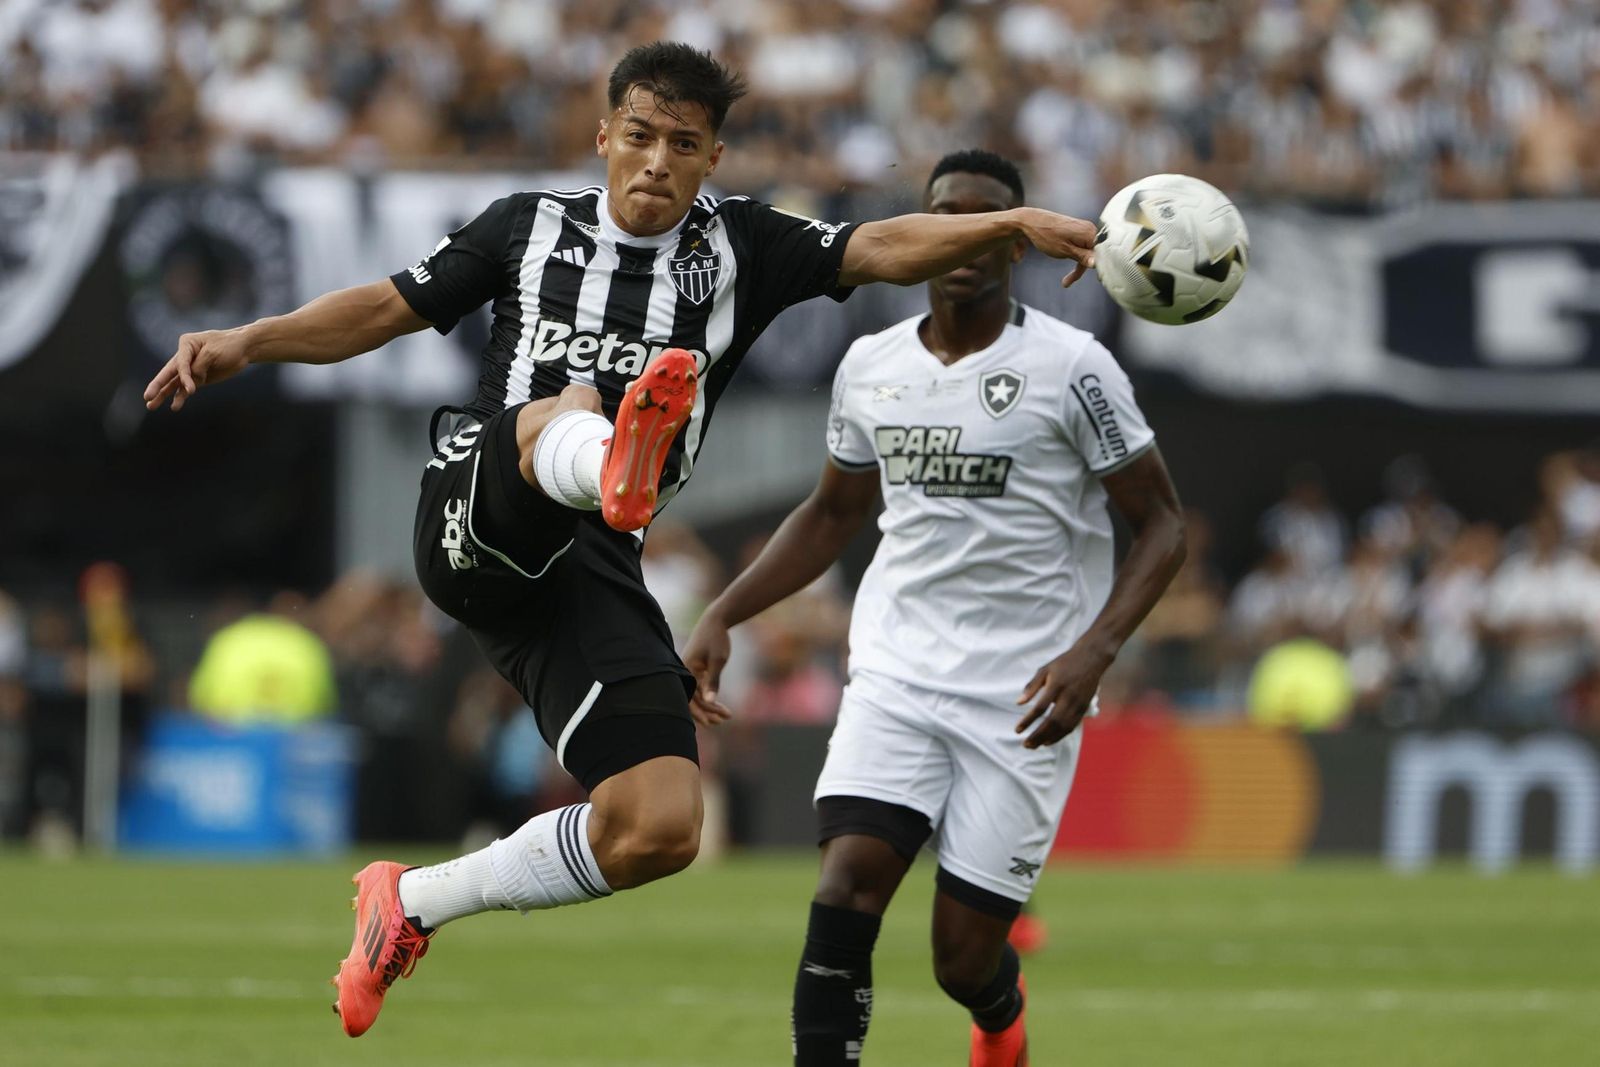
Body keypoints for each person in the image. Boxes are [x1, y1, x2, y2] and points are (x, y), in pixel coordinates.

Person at [140, 43, 1099, 1040]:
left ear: (712, 158)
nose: (656, 161)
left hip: (589, 564)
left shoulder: (744, 245)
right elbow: (384, 307)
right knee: (559, 409)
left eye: (683, 144)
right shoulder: (526, 226)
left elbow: (884, 244)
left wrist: (1011, 224)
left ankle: (412, 901)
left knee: (660, 822)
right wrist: (247, 339)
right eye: (640, 136)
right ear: (603, 137)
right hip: (478, 506)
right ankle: (604, 453)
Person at [683, 150, 1186, 1067]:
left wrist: (1094, 653)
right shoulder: (871, 364)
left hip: (1025, 695)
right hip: (897, 675)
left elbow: (1163, 526)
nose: (961, 237)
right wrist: (723, 609)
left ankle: (999, 1016)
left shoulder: (1074, 368)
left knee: (962, 960)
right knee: (844, 892)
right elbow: (832, 513)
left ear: (1014, 241)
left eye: (984, 219)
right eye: (943, 215)